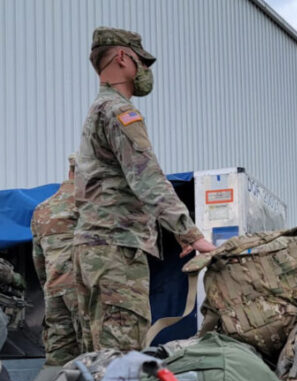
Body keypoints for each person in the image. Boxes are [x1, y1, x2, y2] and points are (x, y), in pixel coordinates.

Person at [74, 27, 215, 353]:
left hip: (93, 248)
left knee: (98, 359)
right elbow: (147, 177)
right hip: (117, 248)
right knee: (122, 363)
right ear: (122, 57)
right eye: (143, 62)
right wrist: (192, 234)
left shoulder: (96, 111)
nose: (146, 71)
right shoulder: (120, 111)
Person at [31, 154, 82, 365]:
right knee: (95, 353)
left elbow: (38, 259)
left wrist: (49, 284)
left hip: (54, 289)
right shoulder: (91, 204)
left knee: (58, 353)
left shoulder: (42, 209)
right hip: (84, 289)